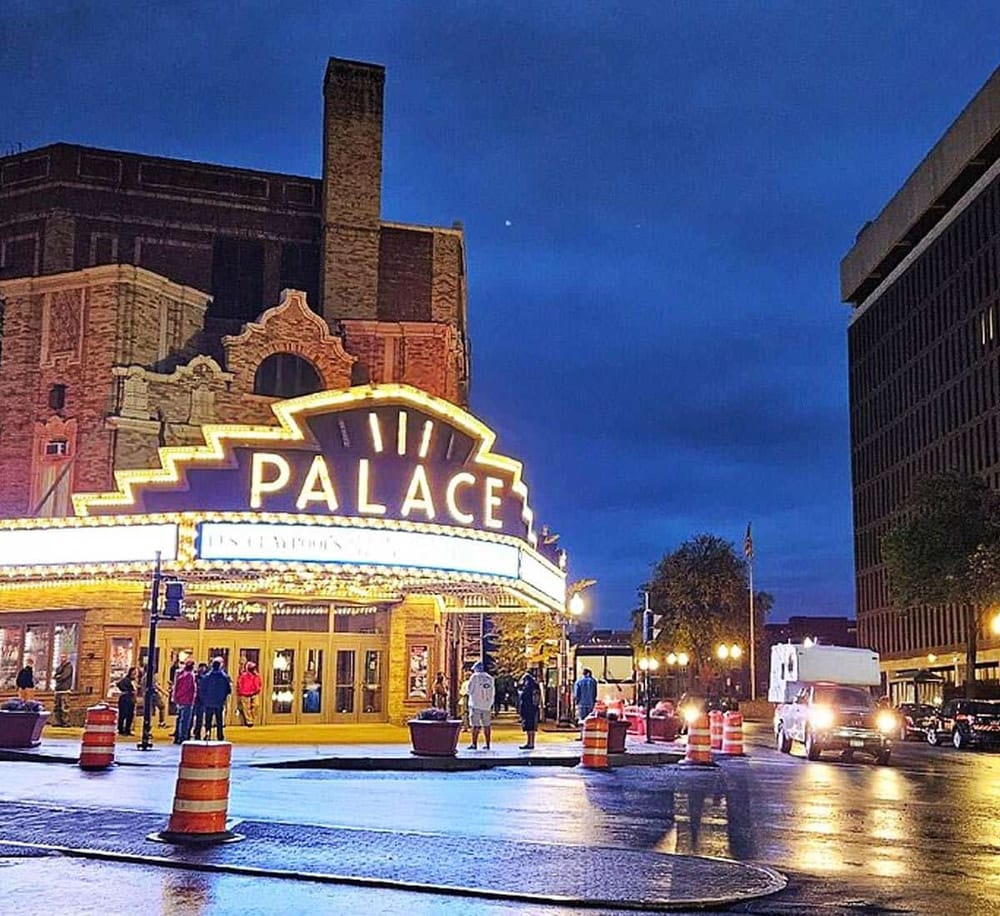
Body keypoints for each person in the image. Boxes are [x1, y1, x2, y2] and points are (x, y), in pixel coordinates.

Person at [199, 657, 232, 740]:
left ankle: (207, 733)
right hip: (219, 702)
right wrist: (223, 697)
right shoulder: (224, 677)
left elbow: (202, 689)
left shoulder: (206, 677)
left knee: (208, 719)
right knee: (219, 719)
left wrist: (204, 699)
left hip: (208, 701)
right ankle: (220, 735)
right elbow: (228, 690)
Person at [466, 661, 496, 750]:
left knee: (475, 725)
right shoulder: (490, 678)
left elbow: (469, 690)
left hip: (475, 704)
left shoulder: (474, 677)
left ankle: (474, 744)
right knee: (487, 725)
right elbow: (493, 692)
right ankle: (487, 744)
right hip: (487, 705)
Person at [172, 658, 197, 743]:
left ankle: (177, 736)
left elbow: (176, 687)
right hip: (187, 700)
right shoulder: (190, 675)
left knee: (179, 718)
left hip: (180, 699)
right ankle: (183, 737)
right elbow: (189, 688)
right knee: (185, 719)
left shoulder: (179, 674)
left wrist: (176, 697)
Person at [518, 671, 541, 750]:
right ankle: (530, 742)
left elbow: (523, 699)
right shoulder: (535, 686)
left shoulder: (527, 688)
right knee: (531, 727)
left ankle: (530, 743)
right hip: (533, 709)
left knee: (529, 727)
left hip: (528, 708)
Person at [237, 660, 262, 727]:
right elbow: (240, 684)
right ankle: (249, 721)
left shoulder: (257, 676)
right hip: (245, 693)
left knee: (256, 705)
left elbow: (259, 683)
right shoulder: (243, 676)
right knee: (246, 708)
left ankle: (252, 717)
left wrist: (258, 688)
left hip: (254, 693)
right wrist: (241, 691)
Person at [52, 654, 74, 726]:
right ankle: (57, 722)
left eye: (64, 657)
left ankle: (66, 722)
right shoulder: (59, 667)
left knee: (65, 707)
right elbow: (55, 676)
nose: (62, 658)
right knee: (57, 707)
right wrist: (57, 676)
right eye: (61, 657)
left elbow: (64, 676)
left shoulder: (68, 666)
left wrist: (58, 677)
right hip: (58, 689)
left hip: (65, 689)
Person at [117, 666, 138, 736]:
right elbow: (119, 684)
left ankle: (127, 729)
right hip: (125, 699)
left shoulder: (133, 681)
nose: (136, 673)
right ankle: (121, 729)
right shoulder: (126, 680)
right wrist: (126, 691)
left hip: (130, 699)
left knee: (129, 715)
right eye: (134, 672)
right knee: (124, 714)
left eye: (136, 672)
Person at [191, 662, 209, 739]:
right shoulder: (194, 677)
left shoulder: (206, 678)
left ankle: (197, 732)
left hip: (202, 700)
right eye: (201, 668)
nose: (202, 669)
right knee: (191, 717)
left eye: (203, 668)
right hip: (193, 699)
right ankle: (189, 730)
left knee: (200, 717)